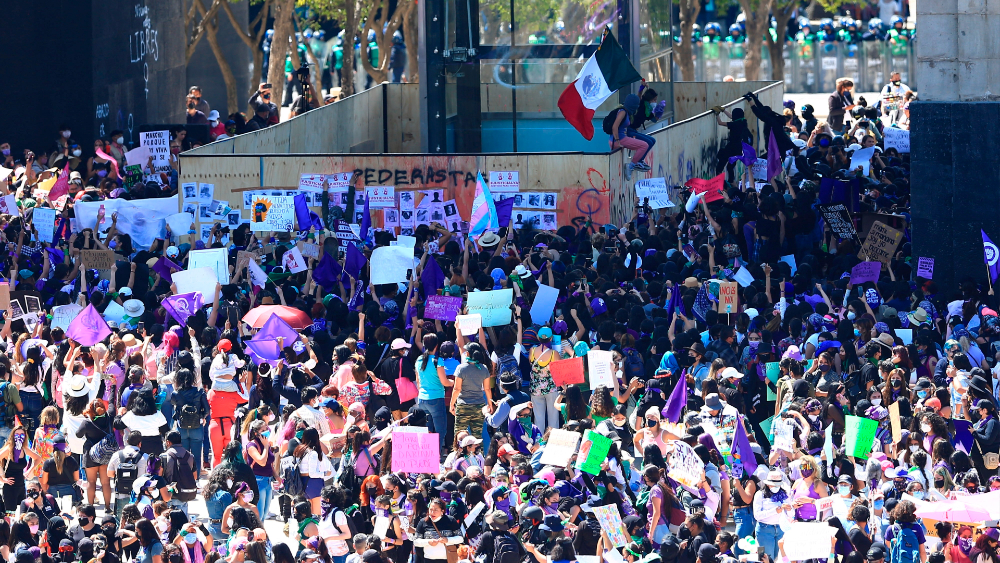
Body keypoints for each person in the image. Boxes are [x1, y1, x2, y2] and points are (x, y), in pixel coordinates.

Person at [609, 94, 653, 180]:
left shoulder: (626, 111)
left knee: (646, 143)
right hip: (619, 140)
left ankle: (636, 162)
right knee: (644, 145)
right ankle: (631, 166)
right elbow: (614, 127)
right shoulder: (623, 112)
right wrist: (618, 141)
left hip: (621, 138)